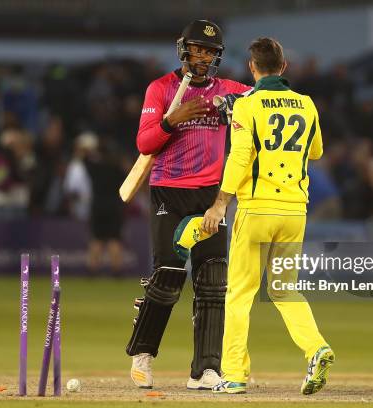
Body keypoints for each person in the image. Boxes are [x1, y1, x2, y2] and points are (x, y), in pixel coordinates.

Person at [201, 37, 334, 395]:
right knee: (285, 290)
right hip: (294, 211)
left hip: (257, 208)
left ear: (252, 68)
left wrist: (220, 203)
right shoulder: (306, 105)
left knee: (240, 294)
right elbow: (317, 151)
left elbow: (240, 157)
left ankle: (234, 375)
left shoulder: (248, 104)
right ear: (284, 67)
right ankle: (316, 348)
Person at [126, 20, 251, 390]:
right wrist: (170, 120)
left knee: (213, 281)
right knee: (166, 277)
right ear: (184, 50)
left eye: (210, 51)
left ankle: (206, 370)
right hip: (169, 191)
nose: (204, 57)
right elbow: (145, 143)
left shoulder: (228, 89)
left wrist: (241, 105)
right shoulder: (161, 88)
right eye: (198, 49)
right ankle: (143, 356)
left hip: (211, 195)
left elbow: (268, 96)